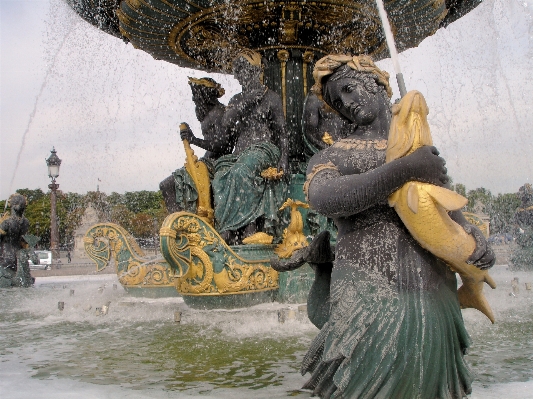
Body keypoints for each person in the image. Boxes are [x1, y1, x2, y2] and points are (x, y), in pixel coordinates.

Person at [300, 55, 495, 399]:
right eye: (336, 101)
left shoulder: (418, 146)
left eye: (348, 89)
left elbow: (444, 204)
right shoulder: (333, 156)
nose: (345, 103)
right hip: (368, 299)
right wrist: (405, 169)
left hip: (433, 295)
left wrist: (475, 241)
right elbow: (326, 197)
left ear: (375, 83)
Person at [210, 50, 289, 244]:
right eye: (237, 71)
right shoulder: (237, 99)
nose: (239, 75)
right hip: (240, 152)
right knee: (219, 176)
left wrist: (284, 158)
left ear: (256, 71)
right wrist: (247, 101)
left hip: (264, 149)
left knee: (241, 171)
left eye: (244, 70)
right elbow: (227, 123)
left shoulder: (272, 98)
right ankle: (229, 227)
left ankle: (248, 227)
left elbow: (281, 132)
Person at [160, 77, 229, 213]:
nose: (193, 99)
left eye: (196, 95)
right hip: (206, 162)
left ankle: (181, 222)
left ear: (205, 95)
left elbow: (222, 145)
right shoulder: (210, 114)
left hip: (217, 163)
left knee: (167, 185)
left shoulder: (219, 113)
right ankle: (181, 222)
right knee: (166, 185)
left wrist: (194, 139)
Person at [0, 194, 30, 287]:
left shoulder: (6, 222)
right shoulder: (26, 222)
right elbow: (24, 242)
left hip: (5, 258)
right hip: (19, 259)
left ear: (12, 206)